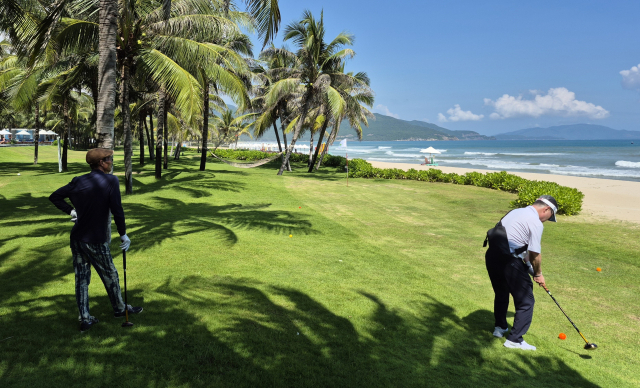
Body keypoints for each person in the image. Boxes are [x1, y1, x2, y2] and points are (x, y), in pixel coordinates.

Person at [49, 148, 142, 332]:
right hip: (96, 240)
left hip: (77, 239)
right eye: (109, 159)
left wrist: (71, 211)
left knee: (81, 279)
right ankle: (119, 309)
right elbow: (117, 209)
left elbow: (55, 196)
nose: (111, 162)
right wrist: (123, 234)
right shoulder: (111, 180)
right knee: (111, 275)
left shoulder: (79, 181)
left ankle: (85, 319)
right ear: (101, 163)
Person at [483, 195, 558, 351]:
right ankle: (515, 340)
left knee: (501, 293)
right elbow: (535, 253)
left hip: (492, 257)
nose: (546, 220)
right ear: (546, 209)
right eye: (550, 217)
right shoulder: (535, 222)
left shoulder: (515, 212)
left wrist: (532, 271)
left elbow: (521, 250)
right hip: (509, 262)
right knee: (526, 301)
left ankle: (500, 328)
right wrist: (538, 274)